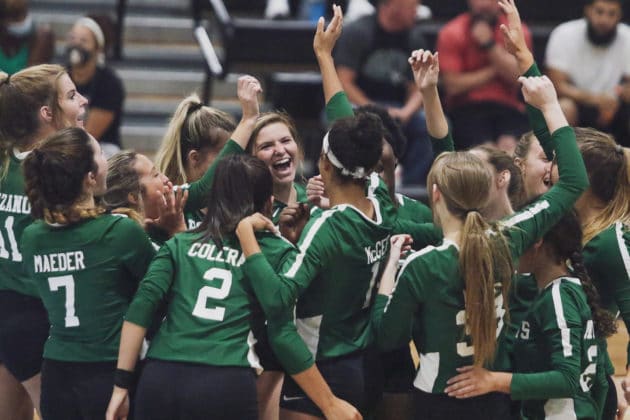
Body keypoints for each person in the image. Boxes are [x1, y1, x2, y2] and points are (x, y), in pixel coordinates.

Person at [371, 46, 589, 419]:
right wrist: (551, 105)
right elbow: (572, 181)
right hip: (494, 395)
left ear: (436, 193)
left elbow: (387, 336)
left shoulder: (423, 262)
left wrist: (389, 271)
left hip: (439, 396)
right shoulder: (509, 236)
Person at [105, 153, 361, 420]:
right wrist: (329, 402)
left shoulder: (179, 243)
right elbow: (282, 333)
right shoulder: (280, 253)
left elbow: (139, 310)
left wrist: (121, 386)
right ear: (268, 202)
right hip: (225, 381)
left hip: (161, 379)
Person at [20, 127, 156, 419]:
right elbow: (160, 289)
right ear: (90, 178)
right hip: (110, 372)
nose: (107, 158)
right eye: (101, 154)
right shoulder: (119, 232)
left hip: (56, 375)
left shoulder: (31, 237)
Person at [444, 211, 616, 420]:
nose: (513, 246)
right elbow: (601, 380)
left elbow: (567, 379)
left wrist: (492, 380)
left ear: (537, 241)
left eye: (519, 237)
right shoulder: (572, 290)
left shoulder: (559, 297)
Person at [0, 64, 88, 415]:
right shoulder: (53, 174)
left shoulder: (5, 160)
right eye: (71, 95)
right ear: (47, 113)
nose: (82, 100)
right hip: (36, 313)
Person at [334, 0, 432, 186]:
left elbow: (419, 88)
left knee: (428, 126)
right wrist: (375, 110)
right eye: (412, 7)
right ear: (392, 5)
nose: (417, 11)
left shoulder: (415, 38)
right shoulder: (359, 32)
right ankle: (349, 184)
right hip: (359, 105)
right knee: (338, 118)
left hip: (398, 109)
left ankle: (411, 188)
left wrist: (406, 112)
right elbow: (343, 83)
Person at [436, 0, 532, 152]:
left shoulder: (516, 31)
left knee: (510, 149)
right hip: (466, 109)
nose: (484, 5)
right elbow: (452, 86)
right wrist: (496, 68)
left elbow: (520, 78)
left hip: (508, 108)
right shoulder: (452, 32)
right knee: (486, 153)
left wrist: (489, 44)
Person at [545, 0, 630, 147]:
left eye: (611, 14)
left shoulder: (627, 36)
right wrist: (597, 99)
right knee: (564, 107)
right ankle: (557, 162)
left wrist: (618, 96)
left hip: (615, 106)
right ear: (588, 11)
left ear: (619, 16)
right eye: (599, 11)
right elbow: (557, 85)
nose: (604, 20)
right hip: (578, 103)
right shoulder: (564, 33)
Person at [154, 94, 236, 228]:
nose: (234, 163)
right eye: (225, 156)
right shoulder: (167, 205)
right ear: (195, 158)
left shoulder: (234, 206)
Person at [66, 16, 124, 156]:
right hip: (66, 139)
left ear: (98, 49)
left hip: (101, 145)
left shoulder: (109, 83)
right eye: (73, 39)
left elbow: (91, 134)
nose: (76, 45)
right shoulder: (62, 76)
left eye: (83, 41)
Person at [0, 0, 54, 74]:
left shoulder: (43, 36)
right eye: (14, 18)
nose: (19, 23)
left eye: (21, 16)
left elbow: (32, 79)